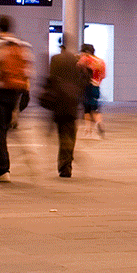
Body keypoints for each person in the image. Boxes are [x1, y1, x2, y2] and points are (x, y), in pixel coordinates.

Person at [0, 15, 32, 182]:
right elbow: (28, 74)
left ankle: (2, 171)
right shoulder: (22, 46)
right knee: (5, 129)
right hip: (16, 93)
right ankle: (20, 157)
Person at [42, 44, 89, 177]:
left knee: (62, 133)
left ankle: (64, 165)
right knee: (71, 133)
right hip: (72, 103)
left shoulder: (55, 59)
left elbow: (51, 79)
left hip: (59, 102)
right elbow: (84, 79)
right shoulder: (76, 61)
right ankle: (67, 163)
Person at [79, 44, 108, 139]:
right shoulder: (101, 62)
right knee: (95, 108)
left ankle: (88, 131)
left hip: (87, 86)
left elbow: (78, 65)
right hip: (97, 87)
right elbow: (103, 75)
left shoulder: (86, 58)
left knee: (86, 109)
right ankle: (99, 122)